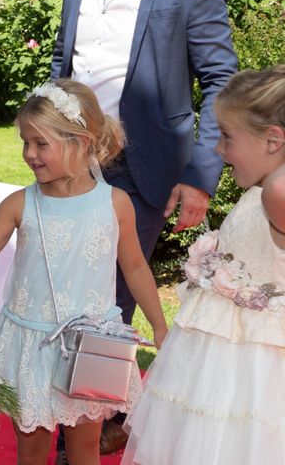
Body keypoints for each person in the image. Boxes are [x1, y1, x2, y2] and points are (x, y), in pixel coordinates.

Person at [0, 79, 168, 465]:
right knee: (31, 448)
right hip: (30, 344)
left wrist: (160, 325)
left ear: (81, 143)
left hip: (90, 346)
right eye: (24, 142)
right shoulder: (19, 204)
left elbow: (134, 267)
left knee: (84, 449)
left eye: (40, 143)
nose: (28, 154)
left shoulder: (114, 204)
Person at [50, 0, 238, 455]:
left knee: (109, 299)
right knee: (59, 285)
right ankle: (85, 408)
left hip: (143, 164)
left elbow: (221, 78)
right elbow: (63, 63)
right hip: (71, 157)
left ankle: (85, 428)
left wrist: (200, 174)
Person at [122, 65, 285, 464]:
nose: (218, 150)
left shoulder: (278, 191)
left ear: (272, 140)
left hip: (250, 362)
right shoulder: (269, 187)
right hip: (230, 350)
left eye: (227, 137)